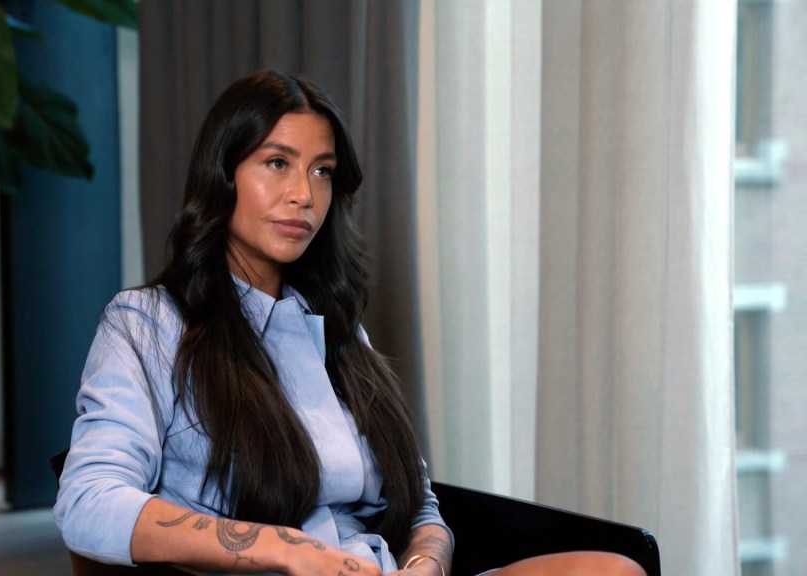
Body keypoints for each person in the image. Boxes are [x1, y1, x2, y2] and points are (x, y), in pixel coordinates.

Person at [54, 70, 645, 576]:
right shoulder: (148, 324)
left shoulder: (339, 333)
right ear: (222, 174)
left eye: (322, 171)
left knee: (613, 568)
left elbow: (420, 504)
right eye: (277, 163)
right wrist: (286, 549)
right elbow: (87, 501)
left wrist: (426, 562)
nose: (304, 195)